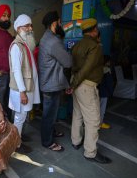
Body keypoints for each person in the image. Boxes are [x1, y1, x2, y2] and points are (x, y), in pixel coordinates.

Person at [70, 18, 111, 164]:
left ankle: (76, 141)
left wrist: (73, 84)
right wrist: (74, 84)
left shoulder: (77, 45)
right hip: (86, 86)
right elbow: (86, 69)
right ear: (94, 31)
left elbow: (74, 67)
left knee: (78, 114)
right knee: (93, 121)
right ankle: (90, 152)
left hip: (76, 83)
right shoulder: (95, 46)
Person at [38, 11, 71, 152]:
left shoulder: (46, 37)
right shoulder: (54, 41)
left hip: (48, 83)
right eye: (59, 22)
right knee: (49, 115)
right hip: (51, 85)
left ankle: (50, 133)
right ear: (54, 24)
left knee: (49, 114)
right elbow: (68, 62)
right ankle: (47, 142)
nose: (61, 24)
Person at [9, 14, 40, 153]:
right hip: (21, 90)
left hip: (25, 88)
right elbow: (16, 71)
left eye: (30, 25)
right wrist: (22, 92)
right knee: (19, 117)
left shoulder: (25, 44)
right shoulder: (17, 46)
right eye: (27, 26)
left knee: (21, 117)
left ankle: (18, 138)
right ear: (19, 28)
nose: (30, 28)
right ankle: (16, 144)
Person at [98, 55, 114, 129]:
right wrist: (111, 92)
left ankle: (94, 122)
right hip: (104, 93)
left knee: (96, 108)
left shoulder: (97, 69)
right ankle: (100, 123)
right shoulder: (107, 71)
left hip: (97, 92)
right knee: (102, 109)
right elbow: (109, 83)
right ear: (107, 62)